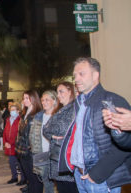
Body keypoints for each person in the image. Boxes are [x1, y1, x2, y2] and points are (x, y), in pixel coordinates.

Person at [58, 57, 131, 193]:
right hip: (80, 175)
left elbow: (125, 145)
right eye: (75, 75)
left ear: (95, 75)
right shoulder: (79, 103)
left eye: (81, 74)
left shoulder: (111, 100)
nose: (76, 79)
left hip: (101, 179)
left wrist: (97, 173)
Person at [43, 82, 79, 193]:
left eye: (61, 91)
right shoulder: (60, 110)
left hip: (66, 161)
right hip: (57, 159)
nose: (58, 95)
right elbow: (45, 130)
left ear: (70, 92)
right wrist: (53, 135)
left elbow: (64, 130)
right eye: (57, 92)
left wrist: (53, 132)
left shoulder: (75, 109)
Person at [29, 90, 59, 193]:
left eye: (47, 100)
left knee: (57, 182)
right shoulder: (38, 116)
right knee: (46, 181)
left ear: (54, 101)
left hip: (56, 155)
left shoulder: (59, 116)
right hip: (42, 154)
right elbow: (32, 135)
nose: (44, 102)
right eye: (42, 100)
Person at [15, 90, 42, 193]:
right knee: (30, 179)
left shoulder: (38, 114)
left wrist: (31, 149)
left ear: (34, 98)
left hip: (31, 153)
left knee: (35, 180)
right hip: (23, 151)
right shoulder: (25, 114)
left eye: (27, 98)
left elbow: (37, 135)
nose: (24, 100)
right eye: (24, 98)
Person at [3, 104, 21, 184]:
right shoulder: (8, 119)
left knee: (20, 163)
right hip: (9, 145)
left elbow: (19, 134)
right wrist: (5, 142)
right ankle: (14, 177)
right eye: (11, 110)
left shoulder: (20, 120)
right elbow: (5, 132)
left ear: (18, 111)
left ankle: (23, 179)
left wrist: (11, 143)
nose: (12, 111)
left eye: (14, 110)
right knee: (11, 162)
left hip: (16, 146)